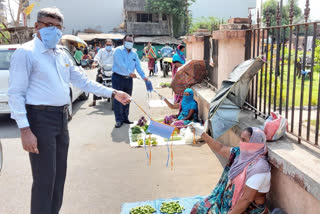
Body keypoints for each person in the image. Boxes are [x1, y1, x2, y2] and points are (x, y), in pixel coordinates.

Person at [8, 8, 131, 214]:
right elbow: (15, 93)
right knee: (44, 179)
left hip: (61, 118)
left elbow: (82, 81)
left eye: (58, 27)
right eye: (49, 25)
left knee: (58, 177)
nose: (54, 30)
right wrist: (25, 130)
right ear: (37, 26)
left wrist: (113, 92)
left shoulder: (60, 53)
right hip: (40, 119)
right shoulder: (26, 53)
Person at [189, 124, 271, 214]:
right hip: (230, 202)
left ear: (255, 143)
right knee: (199, 208)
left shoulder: (259, 168)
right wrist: (203, 134)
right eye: (241, 139)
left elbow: (246, 200)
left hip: (250, 209)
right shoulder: (240, 153)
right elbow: (221, 148)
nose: (241, 143)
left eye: (244, 140)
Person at [112, 35, 149, 128]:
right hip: (118, 78)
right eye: (128, 41)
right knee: (118, 99)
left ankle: (125, 118)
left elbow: (138, 67)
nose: (129, 43)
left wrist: (144, 77)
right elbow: (121, 65)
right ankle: (118, 120)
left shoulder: (134, 54)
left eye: (131, 41)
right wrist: (130, 73)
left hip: (128, 80)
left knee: (127, 98)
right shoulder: (118, 51)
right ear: (124, 41)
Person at [89, 39, 114, 107]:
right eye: (107, 45)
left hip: (112, 70)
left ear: (112, 45)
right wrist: (95, 63)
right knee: (97, 82)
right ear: (105, 45)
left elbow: (119, 58)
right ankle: (94, 101)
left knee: (118, 82)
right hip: (103, 69)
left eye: (110, 45)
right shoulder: (101, 51)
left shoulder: (114, 51)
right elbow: (97, 58)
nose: (109, 46)